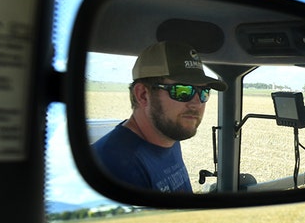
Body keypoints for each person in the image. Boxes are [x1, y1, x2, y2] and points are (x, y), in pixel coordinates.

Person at [92, 40, 227, 192]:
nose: (197, 104)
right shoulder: (115, 168)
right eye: (182, 91)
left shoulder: (169, 135)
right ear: (143, 95)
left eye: (204, 92)